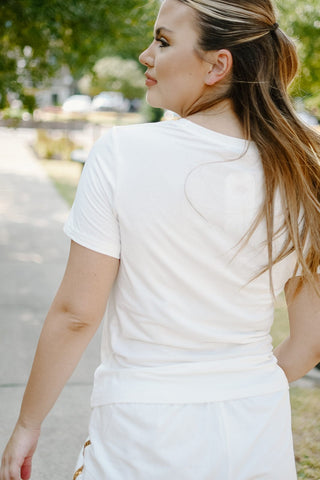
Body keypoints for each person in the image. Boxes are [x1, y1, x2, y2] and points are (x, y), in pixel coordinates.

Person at [2, 0, 320, 478]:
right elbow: (309, 343)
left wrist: (28, 423)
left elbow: (76, 315)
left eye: (163, 41)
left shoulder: (121, 153)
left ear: (218, 64)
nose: (145, 55)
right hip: (259, 431)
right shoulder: (298, 170)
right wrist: (239, 385)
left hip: (142, 434)